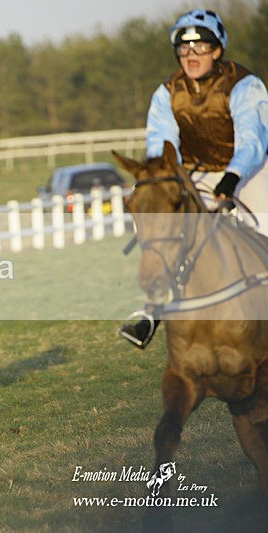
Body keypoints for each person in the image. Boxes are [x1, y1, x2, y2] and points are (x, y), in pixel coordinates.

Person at [120, 9, 268, 348]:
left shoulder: (245, 85)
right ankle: (151, 309)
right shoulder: (166, 93)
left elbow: (252, 141)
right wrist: (162, 182)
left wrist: (231, 179)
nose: (191, 55)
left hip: (248, 169)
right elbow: (161, 146)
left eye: (200, 47)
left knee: (265, 224)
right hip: (195, 173)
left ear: (217, 51)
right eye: (184, 50)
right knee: (156, 214)